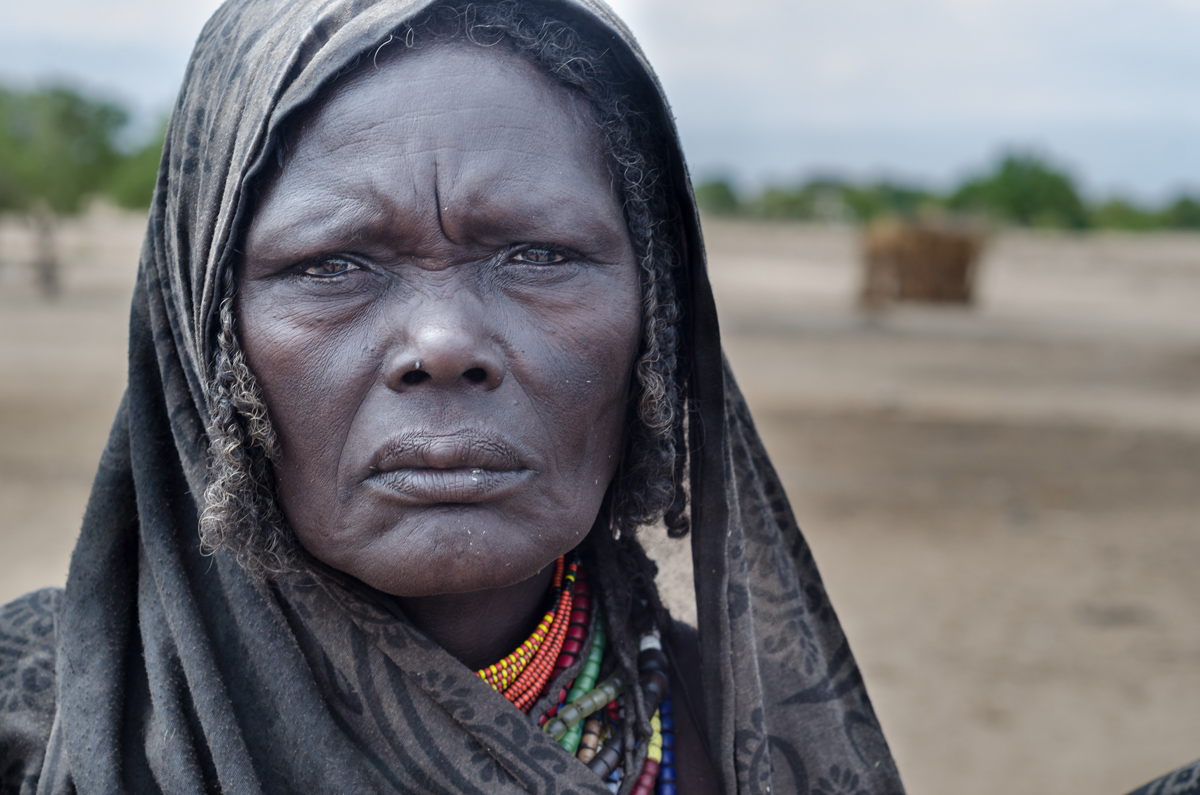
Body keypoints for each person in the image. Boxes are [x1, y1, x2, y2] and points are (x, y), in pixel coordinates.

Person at [0, 1, 905, 792]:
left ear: (657, 322)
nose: (443, 346)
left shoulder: (742, 734)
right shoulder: (41, 732)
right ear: (206, 338)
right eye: (332, 264)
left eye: (539, 254)